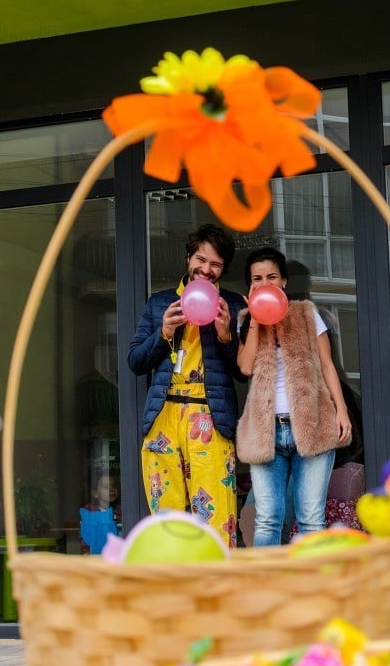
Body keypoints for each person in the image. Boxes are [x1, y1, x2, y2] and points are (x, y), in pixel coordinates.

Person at [128, 223, 246, 547]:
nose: (206, 269)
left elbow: (245, 372)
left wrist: (226, 337)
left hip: (211, 419)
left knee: (218, 521)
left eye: (215, 264)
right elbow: (136, 361)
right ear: (188, 258)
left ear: (223, 269)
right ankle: (174, 594)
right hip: (163, 419)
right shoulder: (159, 304)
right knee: (167, 524)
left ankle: (217, 593)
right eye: (200, 259)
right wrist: (163, 332)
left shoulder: (233, 306)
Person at [236, 247, 352, 546]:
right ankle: (268, 591)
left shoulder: (307, 314)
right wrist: (255, 321)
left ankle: (311, 590)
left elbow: (327, 366)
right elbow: (245, 366)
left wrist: (341, 410)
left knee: (311, 520)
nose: (265, 284)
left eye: (271, 276)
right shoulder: (246, 322)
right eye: (257, 279)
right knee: (267, 519)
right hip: (266, 432)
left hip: (311, 425)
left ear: (284, 281)